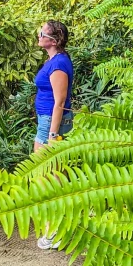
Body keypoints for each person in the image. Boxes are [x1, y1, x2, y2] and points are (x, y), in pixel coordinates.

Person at [33, 19, 74, 250]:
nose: (39, 36)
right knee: (48, 175)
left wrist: (53, 134)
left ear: (54, 40)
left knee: (48, 178)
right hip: (46, 122)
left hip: (51, 122)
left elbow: (60, 103)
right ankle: (57, 227)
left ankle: (55, 231)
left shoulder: (59, 64)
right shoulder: (54, 61)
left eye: (42, 33)